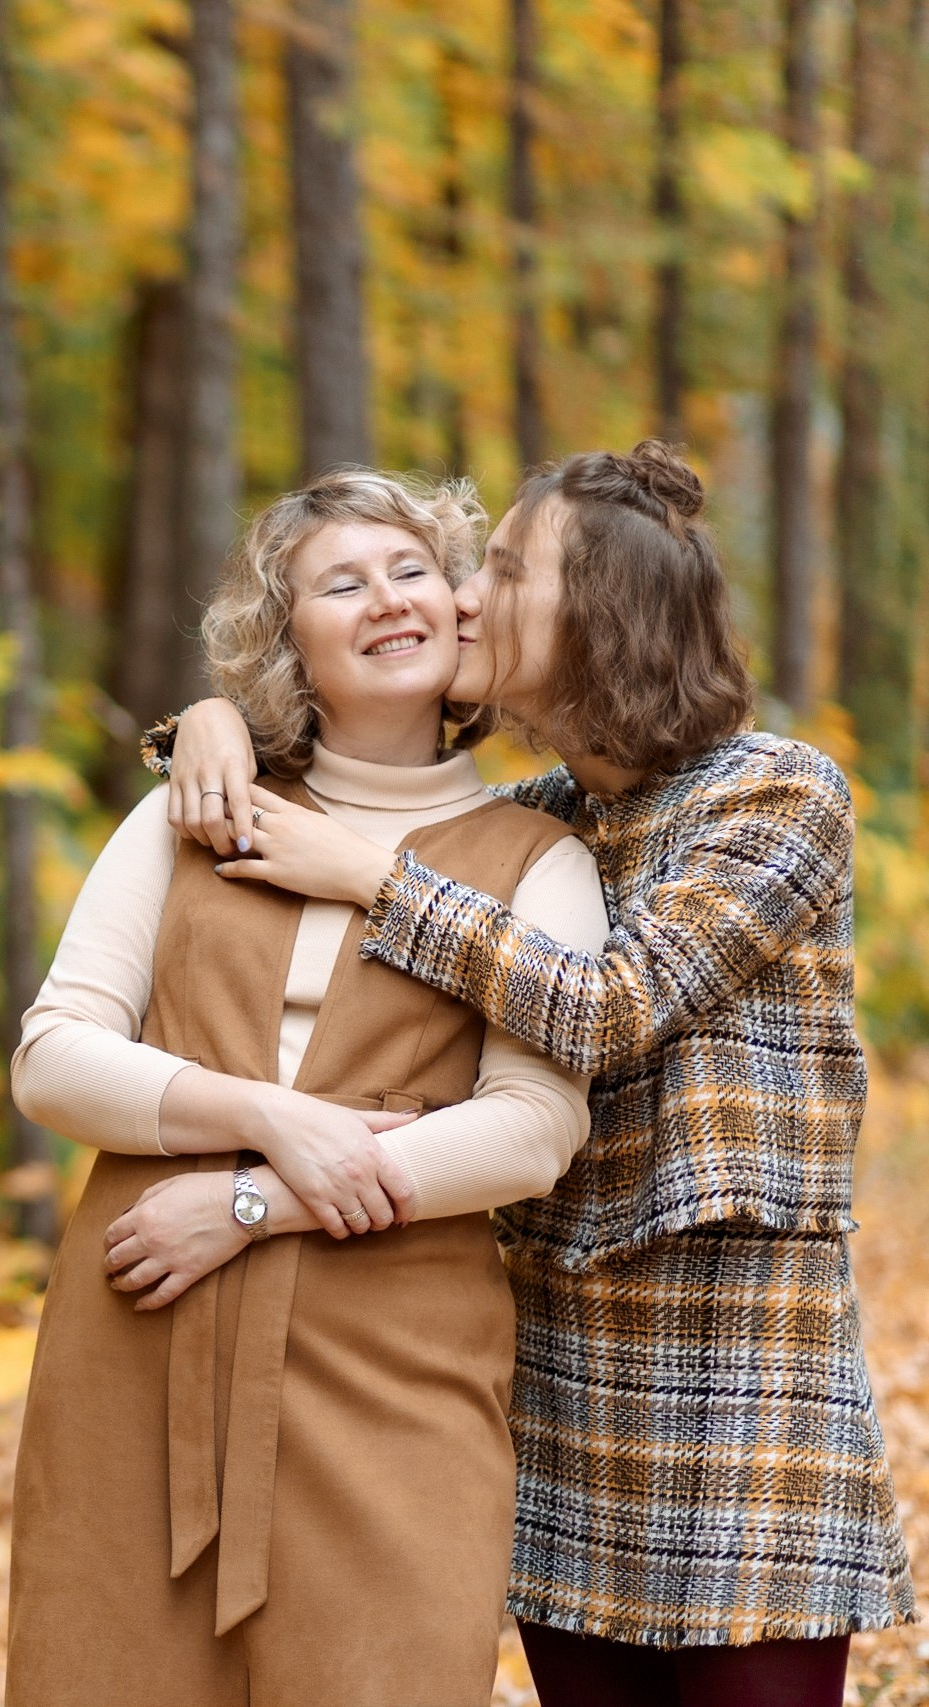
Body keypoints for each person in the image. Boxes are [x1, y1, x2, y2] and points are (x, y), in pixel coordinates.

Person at [157, 441, 914, 1707]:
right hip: (560, 1364)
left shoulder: (776, 796)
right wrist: (207, 721)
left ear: (598, 618)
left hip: (741, 1369)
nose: (458, 597)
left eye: (501, 569)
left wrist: (370, 878)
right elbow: (349, 747)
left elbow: (612, 1008)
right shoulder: (539, 822)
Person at [6, 469, 611, 1707]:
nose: (386, 600)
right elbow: (55, 1055)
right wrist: (274, 1121)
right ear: (287, 642)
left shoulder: (535, 855)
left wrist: (250, 1202)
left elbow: (534, 1125)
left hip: (396, 1362)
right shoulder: (193, 810)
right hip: (141, 1324)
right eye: (341, 584)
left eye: (411, 571)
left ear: (460, 610)